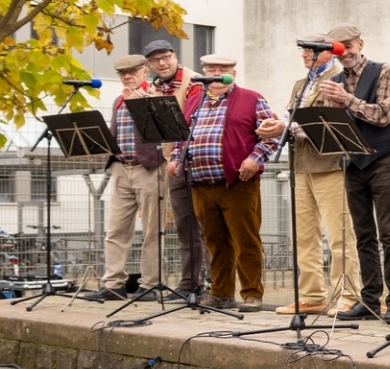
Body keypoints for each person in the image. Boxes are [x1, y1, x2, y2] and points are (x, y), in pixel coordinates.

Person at [256, 34, 363, 316]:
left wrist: (285, 127)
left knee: (340, 234)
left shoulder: (339, 79)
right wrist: (278, 123)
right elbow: (295, 119)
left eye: (313, 50)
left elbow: (328, 123)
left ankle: (348, 294)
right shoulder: (300, 84)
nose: (306, 54)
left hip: (330, 163)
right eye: (303, 50)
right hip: (301, 163)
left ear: (329, 53)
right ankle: (312, 295)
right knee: (303, 235)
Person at [168, 55, 279, 312]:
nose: (216, 73)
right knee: (214, 241)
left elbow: (271, 135)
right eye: (211, 69)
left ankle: (252, 294)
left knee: (245, 240)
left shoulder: (252, 99)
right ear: (204, 72)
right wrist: (176, 159)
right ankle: (220, 293)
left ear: (233, 73)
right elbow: (179, 138)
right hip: (201, 182)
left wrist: (254, 159)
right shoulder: (193, 102)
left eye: (223, 69)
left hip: (238, 181)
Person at [321, 24, 390, 324]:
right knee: (363, 235)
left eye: (348, 44)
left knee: (389, 234)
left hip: (381, 160)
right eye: (337, 46)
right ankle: (370, 300)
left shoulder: (383, 70)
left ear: (360, 43)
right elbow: (333, 126)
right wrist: (331, 105)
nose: (343, 51)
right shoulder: (334, 80)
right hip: (351, 163)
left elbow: (384, 115)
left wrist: (347, 101)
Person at [83, 55, 163, 303]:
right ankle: (113, 284)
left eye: (132, 72)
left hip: (148, 168)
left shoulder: (157, 96)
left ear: (144, 72)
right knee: (115, 230)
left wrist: (140, 104)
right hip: (120, 167)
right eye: (122, 73)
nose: (127, 77)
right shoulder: (119, 100)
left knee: (152, 230)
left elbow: (164, 133)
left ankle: (149, 285)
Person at [143, 39, 205, 293]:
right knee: (185, 226)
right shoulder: (154, 88)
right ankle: (190, 283)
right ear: (150, 64)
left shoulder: (195, 82)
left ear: (175, 57)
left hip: (199, 160)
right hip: (174, 163)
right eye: (156, 60)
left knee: (208, 225)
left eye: (166, 57)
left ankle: (215, 284)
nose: (163, 63)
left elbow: (192, 122)